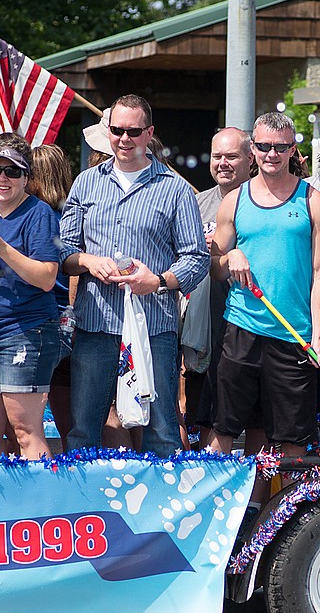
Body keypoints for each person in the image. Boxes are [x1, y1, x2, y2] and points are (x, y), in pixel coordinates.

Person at [59, 94, 209, 457]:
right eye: (116, 130)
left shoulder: (173, 189)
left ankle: (166, 512)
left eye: (133, 131)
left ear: (149, 133)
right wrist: (89, 262)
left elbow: (197, 257)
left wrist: (156, 281)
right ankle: (87, 511)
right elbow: (62, 250)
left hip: (154, 325)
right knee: (83, 429)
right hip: (96, 323)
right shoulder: (85, 183)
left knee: (161, 429)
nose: (124, 139)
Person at [208, 111, 320, 458]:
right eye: (263, 146)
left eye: (280, 147)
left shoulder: (315, 202)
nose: (271, 154)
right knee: (223, 429)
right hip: (242, 329)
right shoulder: (234, 200)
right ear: (253, 150)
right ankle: (221, 511)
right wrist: (230, 255)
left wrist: (318, 335)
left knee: (291, 440)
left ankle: (281, 511)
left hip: (293, 334)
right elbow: (216, 268)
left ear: (293, 150)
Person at [0, 135, 60, 459]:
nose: (1, 178)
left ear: (26, 177)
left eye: (12, 171)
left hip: (25, 333)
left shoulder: (39, 213)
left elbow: (47, 278)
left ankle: (43, 507)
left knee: (25, 431)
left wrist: (3, 249)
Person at [184, 128, 253, 441]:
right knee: (202, 417)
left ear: (250, 159)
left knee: (253, 424)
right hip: (203, 330)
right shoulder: (195, 204)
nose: (223, 163)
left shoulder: (263, 200)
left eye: (232, 156)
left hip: (249, 325)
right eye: (217, 156)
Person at [26, 143, 74, 448]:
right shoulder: (74, 215)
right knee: (72, 422)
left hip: (44, 321)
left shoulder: (36, 218)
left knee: (28, 423)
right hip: (75, 322)